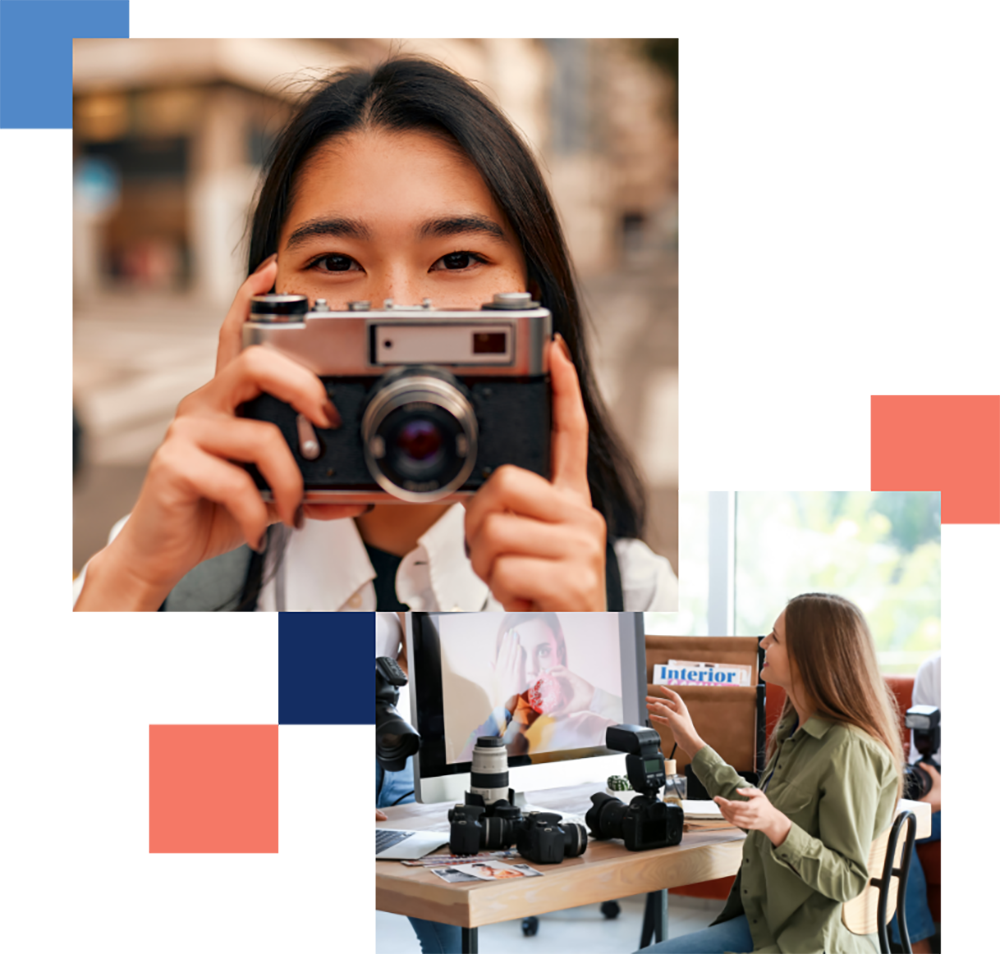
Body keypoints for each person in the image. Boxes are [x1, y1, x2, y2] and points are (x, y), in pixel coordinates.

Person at [73, 55, 677, 701]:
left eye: (458, 258)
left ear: (533, 304)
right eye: (335, 261)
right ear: (267, 310)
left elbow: (643, 800)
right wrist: (130, 595)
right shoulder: (159, 570)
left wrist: (589, 655)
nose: (395, 312)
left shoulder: (633, 592)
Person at [637, 593, 905, 954]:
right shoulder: (797, 729)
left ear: (810, 658)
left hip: (808, 943)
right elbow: (757, 809)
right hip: (767, 926)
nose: (763, 643)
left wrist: (777, 826)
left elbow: (848, 879)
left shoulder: (849, 751)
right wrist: (693, 744)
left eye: (775, 638)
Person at [457, 612, 622, 761]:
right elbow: (465, 773)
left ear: (559, 654)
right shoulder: (485, 733)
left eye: (543, 652)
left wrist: (594, 698)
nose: (531, 669)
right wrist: (504, 711)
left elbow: (644, 733)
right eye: (519, 654)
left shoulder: (591, 729)